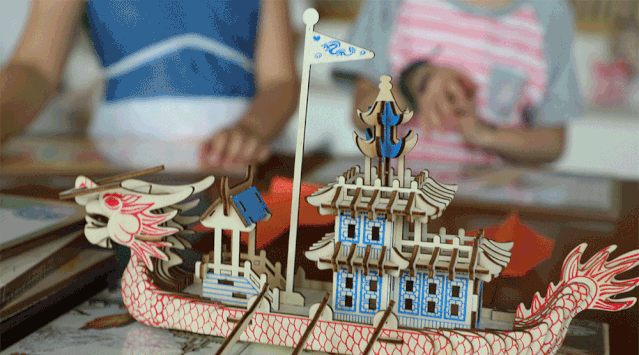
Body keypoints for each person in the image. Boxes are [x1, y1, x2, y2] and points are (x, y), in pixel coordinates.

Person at [0, 0, 298, 170]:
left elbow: (281, 80)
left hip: (242, 165)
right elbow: (35, 67)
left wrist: (253, 128)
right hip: (121, 162)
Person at [335, 0, 583, 165]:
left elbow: (553, 143)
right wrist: (416, 85)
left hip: (493, 211)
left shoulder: (549, 12)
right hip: (399, 201)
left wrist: (483, 135)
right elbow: (361, 115)